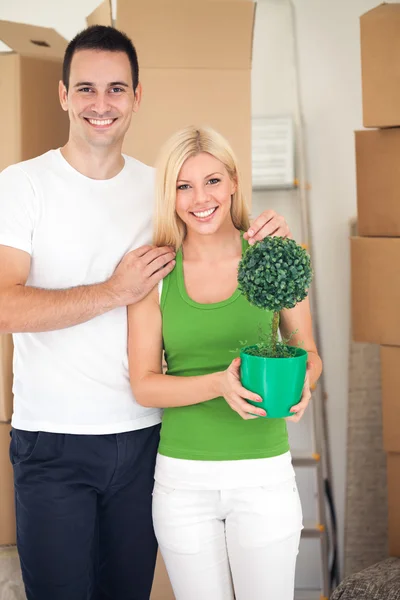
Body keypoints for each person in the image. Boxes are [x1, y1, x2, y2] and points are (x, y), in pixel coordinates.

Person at [0, 25, 293, 600]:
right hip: (53, 440)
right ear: (63, 95)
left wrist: (271, 235)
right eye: (85, 89)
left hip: (146, 441)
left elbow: (220, 236)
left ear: (138, 96)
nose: (101, 104)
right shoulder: (22, 186)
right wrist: (114, 290)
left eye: (116, 88)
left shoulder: (161, 189)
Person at [128, 125, 322, 600]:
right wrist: (219, 384)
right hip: (182, 484)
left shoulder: (274, 257)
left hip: (263, 478)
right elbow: (145, 385)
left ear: (233, 182)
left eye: (212, 181)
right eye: (183, 185)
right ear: (170, 195)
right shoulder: (155, 272)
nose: (200, 198)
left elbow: (310, 355)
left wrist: (304, 386)